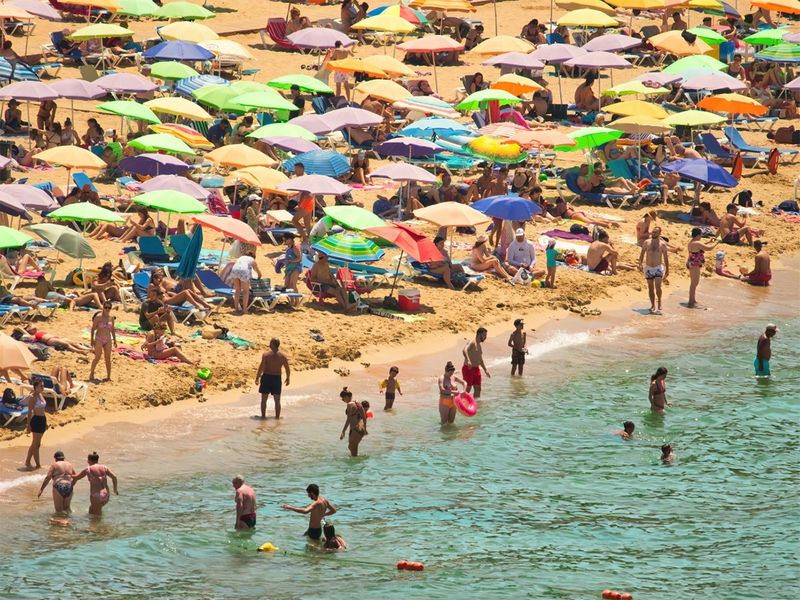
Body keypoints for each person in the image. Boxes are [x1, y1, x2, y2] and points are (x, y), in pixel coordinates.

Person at [72, 451, 118, 516]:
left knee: (94, 516)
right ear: (97, 460)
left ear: (89, 460)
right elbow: (114, 477)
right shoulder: (104, 467)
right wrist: (115, 490)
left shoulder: (88, 469)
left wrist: (68, 474)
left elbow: (77, 477)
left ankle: (97, 526)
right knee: (97, 512)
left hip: (96, 496)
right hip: (106, 495)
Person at [638, 226, 670, 314]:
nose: (653, 233)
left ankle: (659, 301)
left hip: (658, 268)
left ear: (659, 233)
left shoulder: (662, 244)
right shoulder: (646, 242)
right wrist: (640, 263)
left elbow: (666, 258)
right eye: (653, 231)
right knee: (650, 288)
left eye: (656, 232)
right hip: (648, 268)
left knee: (658, 287)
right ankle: (652, 305)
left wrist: (667, 270)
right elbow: (642, 254)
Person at [255, 338, 290, 419]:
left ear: (273, 344)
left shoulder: (266, 355)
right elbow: (287, 368)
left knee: (264, 399)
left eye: (270, 343)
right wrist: (288, 378)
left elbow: (261, 367)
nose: (269, 344)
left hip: (267, 377)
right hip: (277, 379)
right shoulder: (283, 356)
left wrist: (257, 377)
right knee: (277, 401)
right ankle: (277, 418)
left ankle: (263, 417)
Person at [686, 227, 719, 308]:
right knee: (694, 283)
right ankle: (691, 301)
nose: (701, 236)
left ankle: (692, 299)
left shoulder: (692, 242)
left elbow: (701, 246)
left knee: (694, 282)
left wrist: (709, 241)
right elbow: (708, 248)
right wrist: (716, 243)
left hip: (691, 263)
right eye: (701, 235)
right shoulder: (696, 243)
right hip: (694, 265)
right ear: (697, 235)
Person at [89, 301, 116, 382]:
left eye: (109, 308)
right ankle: (92, 373)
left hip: (108, 339)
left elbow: (112, 329)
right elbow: (93, 329)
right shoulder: (98, 317)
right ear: (103, 308)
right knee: (97, 357)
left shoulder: (111, 318)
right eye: (106, 307)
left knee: (108, 358)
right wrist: (92, 340)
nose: (107, 309)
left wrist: (115, 340)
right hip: (99, 338)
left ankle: (108, 376)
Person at [25, 379, 48, 470]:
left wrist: (46, 422)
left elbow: (43, 410)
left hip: (42, 419)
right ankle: (38, 465)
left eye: (43, 386)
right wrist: (28, 425)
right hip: (36, 420)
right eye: (41, 386)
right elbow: (29, 412)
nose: (43, 387)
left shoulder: (40, 395)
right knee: (36, 445)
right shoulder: (32, 397)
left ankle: (27, 461)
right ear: (35, 387)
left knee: (35, 443)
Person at [339, 387, 368, 457]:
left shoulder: (349, 404)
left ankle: (356, 466)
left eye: (343, 398)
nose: (342, 400)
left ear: (346, 396)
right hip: (361, 429)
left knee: (353, 453)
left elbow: (348, 419)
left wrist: (343, 431)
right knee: (351, 448)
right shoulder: (358, 403)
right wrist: (365, 429)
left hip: (354, 430)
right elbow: (364, 417)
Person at [462, 327, 489, 398]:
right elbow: (464, 350)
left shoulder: (479, 345)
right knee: (468, 388)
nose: (485, 337)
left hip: (476, 369)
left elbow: (480, 360)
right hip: (468, 369)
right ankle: (461, 403)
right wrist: (468, 360)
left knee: (478, 389)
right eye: (484, 335)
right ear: (479, 334)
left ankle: (476, 405)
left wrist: (485, 370)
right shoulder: (472, 342)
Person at [438, 361, 463, 426]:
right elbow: (442, 390)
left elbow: (464, 382)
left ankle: (451, 436)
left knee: (451, 423)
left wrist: (464, 391)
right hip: (444, 402)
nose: (451, 375)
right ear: (446, 371)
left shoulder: (453, 377)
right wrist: (454, 392)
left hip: (454, 402)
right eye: (450, 373)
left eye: (452, 373)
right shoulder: (441, 378)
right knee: (444, 423)